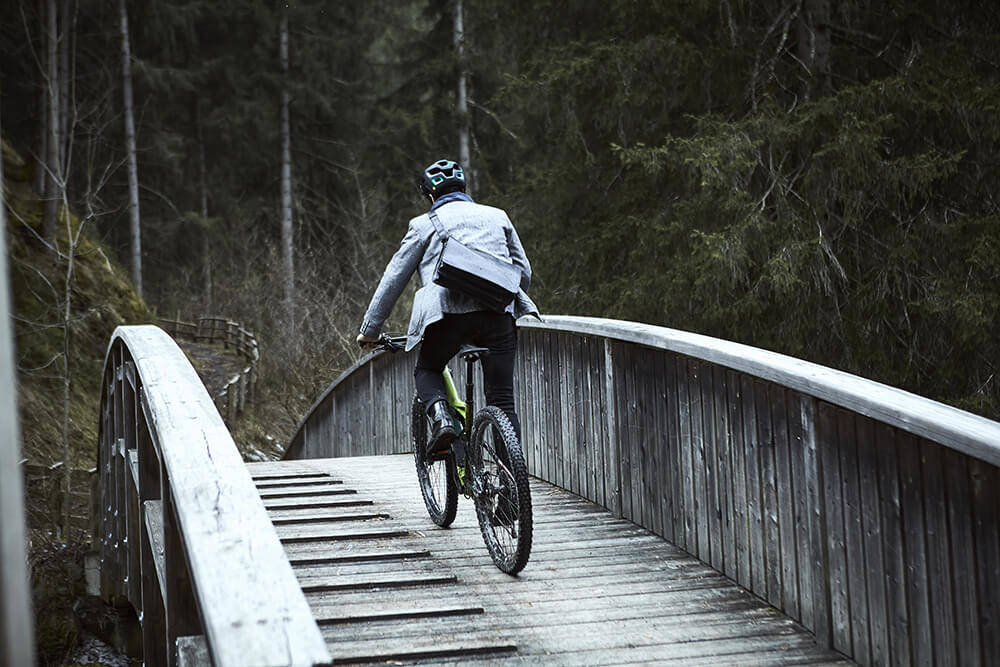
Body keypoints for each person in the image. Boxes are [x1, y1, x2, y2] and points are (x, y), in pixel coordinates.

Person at [357, 159, 539, 460]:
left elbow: (393, 279)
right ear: (464, 189)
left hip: (447, 318)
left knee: (427, 369)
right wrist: (497, 300)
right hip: (498, 316)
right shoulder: (498, 216)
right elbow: (523, 272)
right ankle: (510, 491)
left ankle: (441, 417)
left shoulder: (423, 225)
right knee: (503, 402)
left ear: (430, 196)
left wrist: (370, 331)